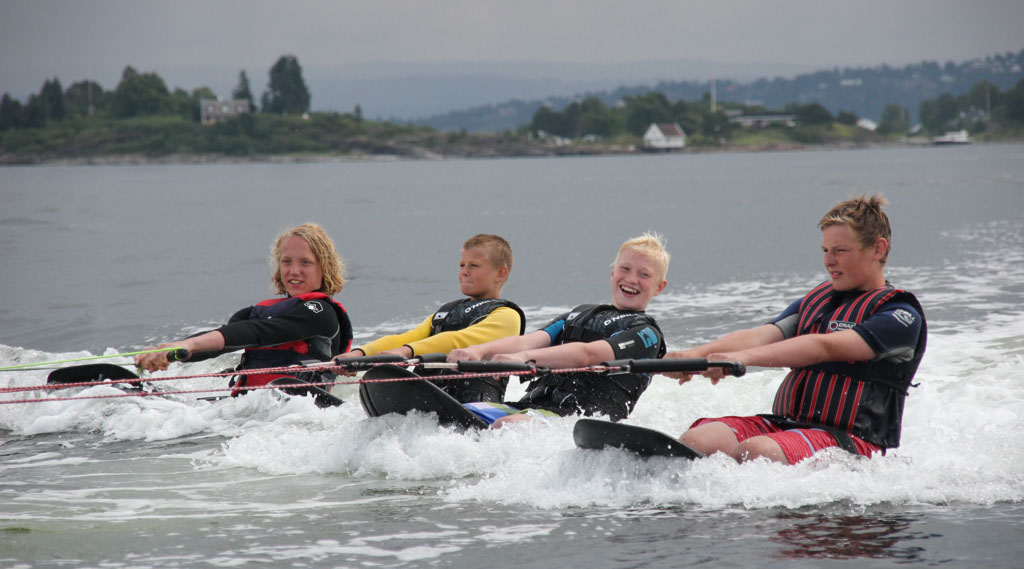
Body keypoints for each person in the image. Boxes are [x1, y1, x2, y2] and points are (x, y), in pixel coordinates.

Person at [667, 194, 926, 465]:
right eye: (825, 251)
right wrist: (695, 355)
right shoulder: (816, 302)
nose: (829, 261)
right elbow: (759, 337)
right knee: (698, 441)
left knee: (756, 452)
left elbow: (822, 347)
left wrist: (738, 360)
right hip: (787, 426)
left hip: (851, 441)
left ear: (878, 249)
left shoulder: (900, 316)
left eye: (840, 251)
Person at [447, 232, 670, 428]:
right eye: (625, 269)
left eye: (644, 274)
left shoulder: (647, 334)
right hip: (533, 409)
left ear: (659, 287)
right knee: (460, 413)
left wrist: (524, 358)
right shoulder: (579, 314)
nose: (631, 279)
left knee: (507, 425)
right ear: (613, 271)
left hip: (580, 421)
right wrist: (478, 350)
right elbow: (527, 342)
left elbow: (588, 355)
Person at [135, 223, 353, 397]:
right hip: (248, 410)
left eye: (305, 262)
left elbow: (259, 332)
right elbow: (222, 340)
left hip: (298, 411)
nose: (294, 271)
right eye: (286, 262)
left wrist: (189, 344)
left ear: (324, 268)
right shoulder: (257, 312)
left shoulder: (321, 312)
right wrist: (173, 351)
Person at [332, 234, 525, 403]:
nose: (464, 271)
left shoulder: (508, 316)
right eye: (462, 265)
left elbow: (459, 340)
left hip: (477, 406)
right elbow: (407, 337)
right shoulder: (448, 311)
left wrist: (405, 352)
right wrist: (360, 354)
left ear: (500, 273)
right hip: (430, 395)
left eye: (474, 265)